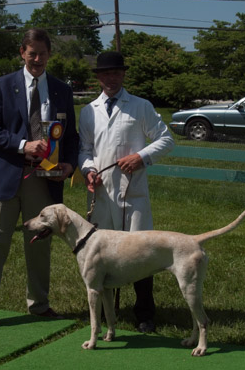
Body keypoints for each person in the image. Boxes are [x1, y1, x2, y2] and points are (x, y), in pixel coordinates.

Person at [0, 28, 79, 334]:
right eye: (31, 53)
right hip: (8, 174)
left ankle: (39, 305)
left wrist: (69, 164)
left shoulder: (61, 89)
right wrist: (23, 145)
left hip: (44, 179)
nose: (37, 59)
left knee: (38, 245)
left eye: (42, 54)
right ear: (22, 52)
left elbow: (69, 136)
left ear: (49, 55)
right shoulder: (3, 85)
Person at [78, 51, 174, 333]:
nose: (112, 78)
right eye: (106, 73)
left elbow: (166, 139)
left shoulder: (141, 106)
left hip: (133, 192)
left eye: (117, 73)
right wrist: (88, 170)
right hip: (101, 193)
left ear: (123, 75)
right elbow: (85, 149)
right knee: (100, 253)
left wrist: (141, 157)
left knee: (141, 252)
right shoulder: (88, 111)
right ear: (98, 77)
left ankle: (144, 313)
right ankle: (104, 312)